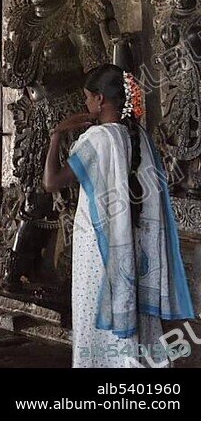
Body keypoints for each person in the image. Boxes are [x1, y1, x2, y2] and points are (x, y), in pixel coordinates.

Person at [45, 64, 195, 368]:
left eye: (87, 98)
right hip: (133, 243)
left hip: (97, 248)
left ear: (100, 99)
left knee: (94, 316)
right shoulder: (137, 135)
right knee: (132, 317)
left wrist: (57, 133)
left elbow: (50, 182)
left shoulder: (96, 139)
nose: (85, 104)